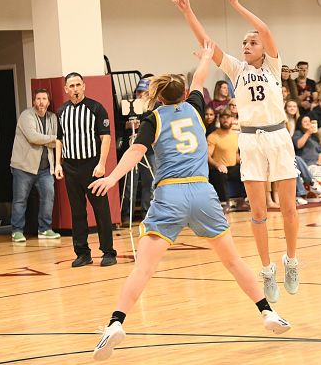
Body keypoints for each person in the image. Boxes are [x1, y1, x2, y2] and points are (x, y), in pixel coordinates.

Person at [89, 41, 291, 362]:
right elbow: (199, 79)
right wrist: (207, 56)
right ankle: (268, 312)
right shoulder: (195, 107)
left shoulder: (153, 119)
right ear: (183, 95)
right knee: (233, 261)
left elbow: (136, 152)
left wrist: (112, 178)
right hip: (202, 193)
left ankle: (116, 323)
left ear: (158, 97)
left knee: (144, 268)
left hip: (170, 194)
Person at [173, 0, 300, 303]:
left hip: (278, 137)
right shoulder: (236, 69)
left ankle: (291, 261)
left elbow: (265, 30)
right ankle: (267, 268)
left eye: (252, 42)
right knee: (258, 211)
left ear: (264, 49)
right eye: (244, 42)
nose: (246, 45)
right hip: (251, 140)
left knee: (288, 208)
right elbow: (208, 43)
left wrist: (236, 4)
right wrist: (188, 11)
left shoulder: (273, 66)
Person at [54, 73, 117, 267]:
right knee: (77, 211)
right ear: (66, 89)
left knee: (101, 210)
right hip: (70, 167)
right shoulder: (61, 111)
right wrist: (58, 163)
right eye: (71, 86)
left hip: (92, 165)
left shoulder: (96, 108)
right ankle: (82, 253)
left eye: (78, 85)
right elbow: (59, 139)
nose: (75, 89)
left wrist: (102, 164)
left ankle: (108, 252)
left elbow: (105, 137)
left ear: (84, 86)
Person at [9, 89, 60, 242]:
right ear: (34, 101)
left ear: (48, 102)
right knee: (20, 200)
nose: (41, 102)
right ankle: (17, 230)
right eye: (38, 98)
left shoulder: (52, 117)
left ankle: (45, 229)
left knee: (48, 197)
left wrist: (53, 141)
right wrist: (54, 139)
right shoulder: (26, 115)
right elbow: (33, 137)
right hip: (23, 167)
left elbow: (57, 143)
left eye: (44, 99)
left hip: (45, 168)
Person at [120, 77, 156, 224]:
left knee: (150, 182)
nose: (141, 95)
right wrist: (127, 125)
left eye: (144, 92)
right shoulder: (127, 106)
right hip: (132, 148)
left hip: (148, 149)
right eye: (139, 91)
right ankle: (126, 214)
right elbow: (119, 124)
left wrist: (141, 125)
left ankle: (147, 213)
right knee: (130, 183)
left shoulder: (153, 107)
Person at [207, 108, 241, 209]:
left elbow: (235, 154)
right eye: (223, 117)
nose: (225, 120)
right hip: (217, 169)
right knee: (220, 173)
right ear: (219, 119)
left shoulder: (235, 136)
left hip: (232, 168)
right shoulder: (213, 136)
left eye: (228, 117)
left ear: (232, 119)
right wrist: (217, 165)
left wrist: (243, 162)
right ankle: (224, 203)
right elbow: (207, 156)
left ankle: (242, 200)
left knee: (245, 170)